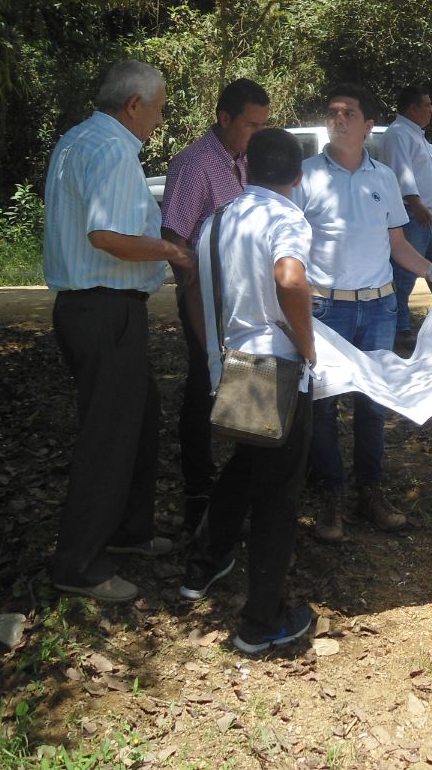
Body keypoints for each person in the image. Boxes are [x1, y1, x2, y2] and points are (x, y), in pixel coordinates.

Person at [44, 60, 195, 603]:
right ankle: (79, 563)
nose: (159, 119)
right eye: (157, 109)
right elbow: (107, 235)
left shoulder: (78, 140)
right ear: (133, 105)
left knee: (140, 421)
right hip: (103, 308)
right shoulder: (109, 150)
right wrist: (171, 250)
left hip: (98, 309)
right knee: (108, 437)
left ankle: (130, 532)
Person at [290, 83, 432, 542]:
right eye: (332, 112)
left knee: (374, 404)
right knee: (324, 404)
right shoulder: (304, 175)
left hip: (379, 307)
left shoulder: (384, 178)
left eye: (349, 112)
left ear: (369, 126)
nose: (338, 118)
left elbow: (397, 245)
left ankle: (370, 492)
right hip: (326, 309)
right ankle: (331, 497)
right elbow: (287, 247)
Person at [180, 128, 318, 654]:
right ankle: (261, 623)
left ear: (247, 168)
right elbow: (289, 278)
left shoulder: (218, 220)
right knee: (279, 494)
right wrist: (306, 346)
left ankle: (203, 565)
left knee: (245, 463)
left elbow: (192, 287)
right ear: (298, 176)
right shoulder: (285, 217)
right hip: (271, 368)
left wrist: (213, 348)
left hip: (234, 365)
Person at [160, 79, 271, 533]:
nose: (257, 133)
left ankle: (241, 486)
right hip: (208, 296)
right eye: (251, 124)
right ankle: (199, 492)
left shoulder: (242, 160)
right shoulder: (196, 164)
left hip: (242, 295)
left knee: (247, 377)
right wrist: (196, 291)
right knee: (204, 383)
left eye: (263, 125)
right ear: (224, 118)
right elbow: (173, 239)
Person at [380, 84, 432, 351]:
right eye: (427, 104)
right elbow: (401, 172)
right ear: (412, 108)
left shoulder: (415, 134)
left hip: (424, 215)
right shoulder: (398, 133)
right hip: (411, 213)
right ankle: (400, 329)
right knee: (404, 274)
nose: (431, 109)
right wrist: (416, 203)